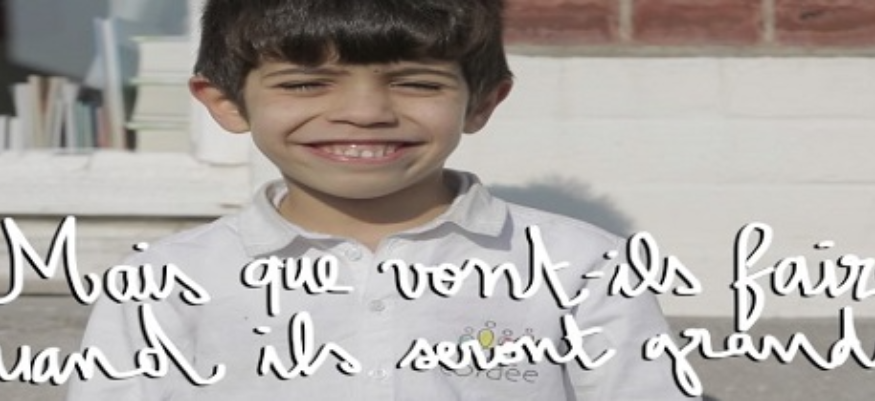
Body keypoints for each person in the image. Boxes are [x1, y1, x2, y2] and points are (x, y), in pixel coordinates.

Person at [68, 0, 695, 399]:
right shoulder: (164, 280)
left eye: (416, 82)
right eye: (306, 83)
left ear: (482, 101)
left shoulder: (583, 266)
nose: (365, 113)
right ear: (227, 102)